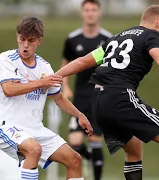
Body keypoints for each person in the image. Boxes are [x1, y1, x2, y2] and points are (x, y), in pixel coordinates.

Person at [56, 5, 159, 180]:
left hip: (98, 101)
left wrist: (55, 76)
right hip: (119, 97)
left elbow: (83, 61)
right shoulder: (150, 35)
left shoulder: (118, 37)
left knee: (134, 149)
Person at [0, 16, 93, 180]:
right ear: (17, 36)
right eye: (22, 39)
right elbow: (9, 89)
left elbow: (58, 98)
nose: (25, 45)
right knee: (34, 149)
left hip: (34, 129)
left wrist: (79, 115)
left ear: (39, 41)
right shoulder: (6, 59)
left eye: (31, 41)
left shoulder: (44, 67)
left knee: (74, 160)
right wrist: (41, 82)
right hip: (5, 124)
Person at [61, 0, 112, 179]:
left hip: (99, 98)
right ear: (82, 13)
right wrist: (65, 86)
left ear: (99, 13)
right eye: (87, 10)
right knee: (74, 141)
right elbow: (66, 64)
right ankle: (87, 157)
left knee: (95, 140)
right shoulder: (73, 39)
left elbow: (114, 67)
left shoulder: (108, 39)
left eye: (94, 10)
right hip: (79, 97)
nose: (90, 13)